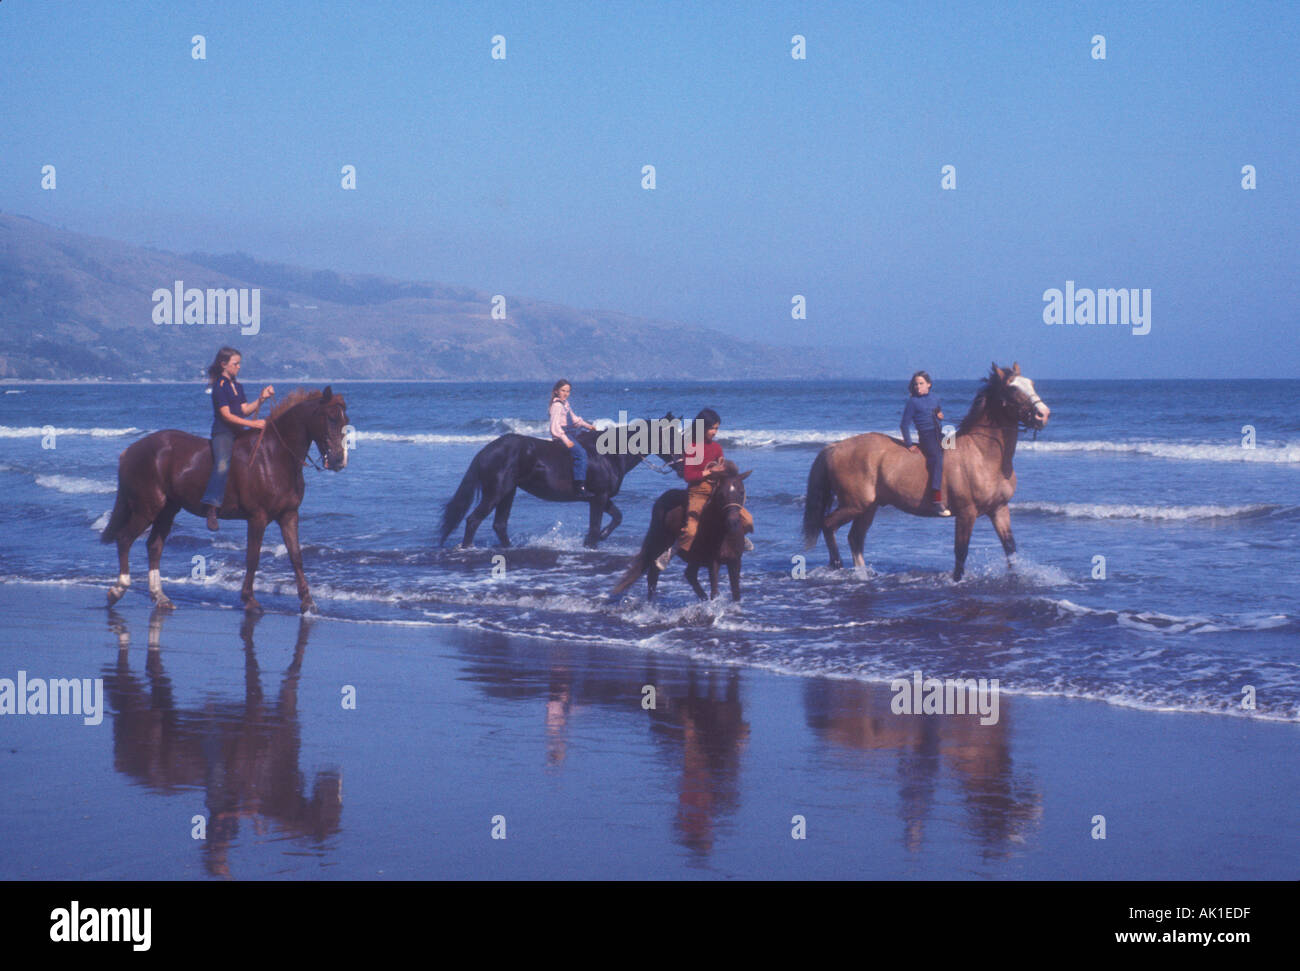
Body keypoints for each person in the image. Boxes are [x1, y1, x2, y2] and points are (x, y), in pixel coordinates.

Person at [655, 408, 753, 570]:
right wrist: (710, 471)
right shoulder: (692, 447)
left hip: (716, 490)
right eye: (712, 428)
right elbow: (689, 476)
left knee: (746, 519)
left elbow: (722, 468)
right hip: (698, 491)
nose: (715, 432)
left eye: (717, 428)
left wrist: (726, 468)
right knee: (692, 529)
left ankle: (740, 537)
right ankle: (671, 552)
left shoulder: (717, 448)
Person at [200, 347, 274, 530]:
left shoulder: (237, 386)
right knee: (223, 463)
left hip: (239, 431)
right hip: (223, 432)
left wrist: (261, 399)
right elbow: (226, 416)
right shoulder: (219, 386)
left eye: (239, 363)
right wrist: (253, 425)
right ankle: (212, 507)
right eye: (235, 364)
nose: (239, 367)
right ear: (224, 365)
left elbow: (244, 410)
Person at [900, 370, 951, 516]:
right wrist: (909, 444)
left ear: (929, 384)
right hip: (927, 436)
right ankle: (936, 499)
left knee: (955, 446)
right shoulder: (913, 402)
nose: (918, 386)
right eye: (915, 384)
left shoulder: (935, 398)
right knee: (937, 458)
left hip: (939, 432)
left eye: (921, 383)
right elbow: (904, 425)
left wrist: (940, 416)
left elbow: (938, 413)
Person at [548, 379, 598, 497]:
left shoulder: (565, 404)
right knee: (580, 453)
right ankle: (579, 486)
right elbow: (554, 426)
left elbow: (575, 419)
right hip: (562, 435)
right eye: (563, 391)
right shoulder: (557, 406)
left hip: (572, 432)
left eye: (568, 391)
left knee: (590, 441)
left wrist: (588, 426)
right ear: (556, 391)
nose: (565, 393)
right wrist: (566, 440)